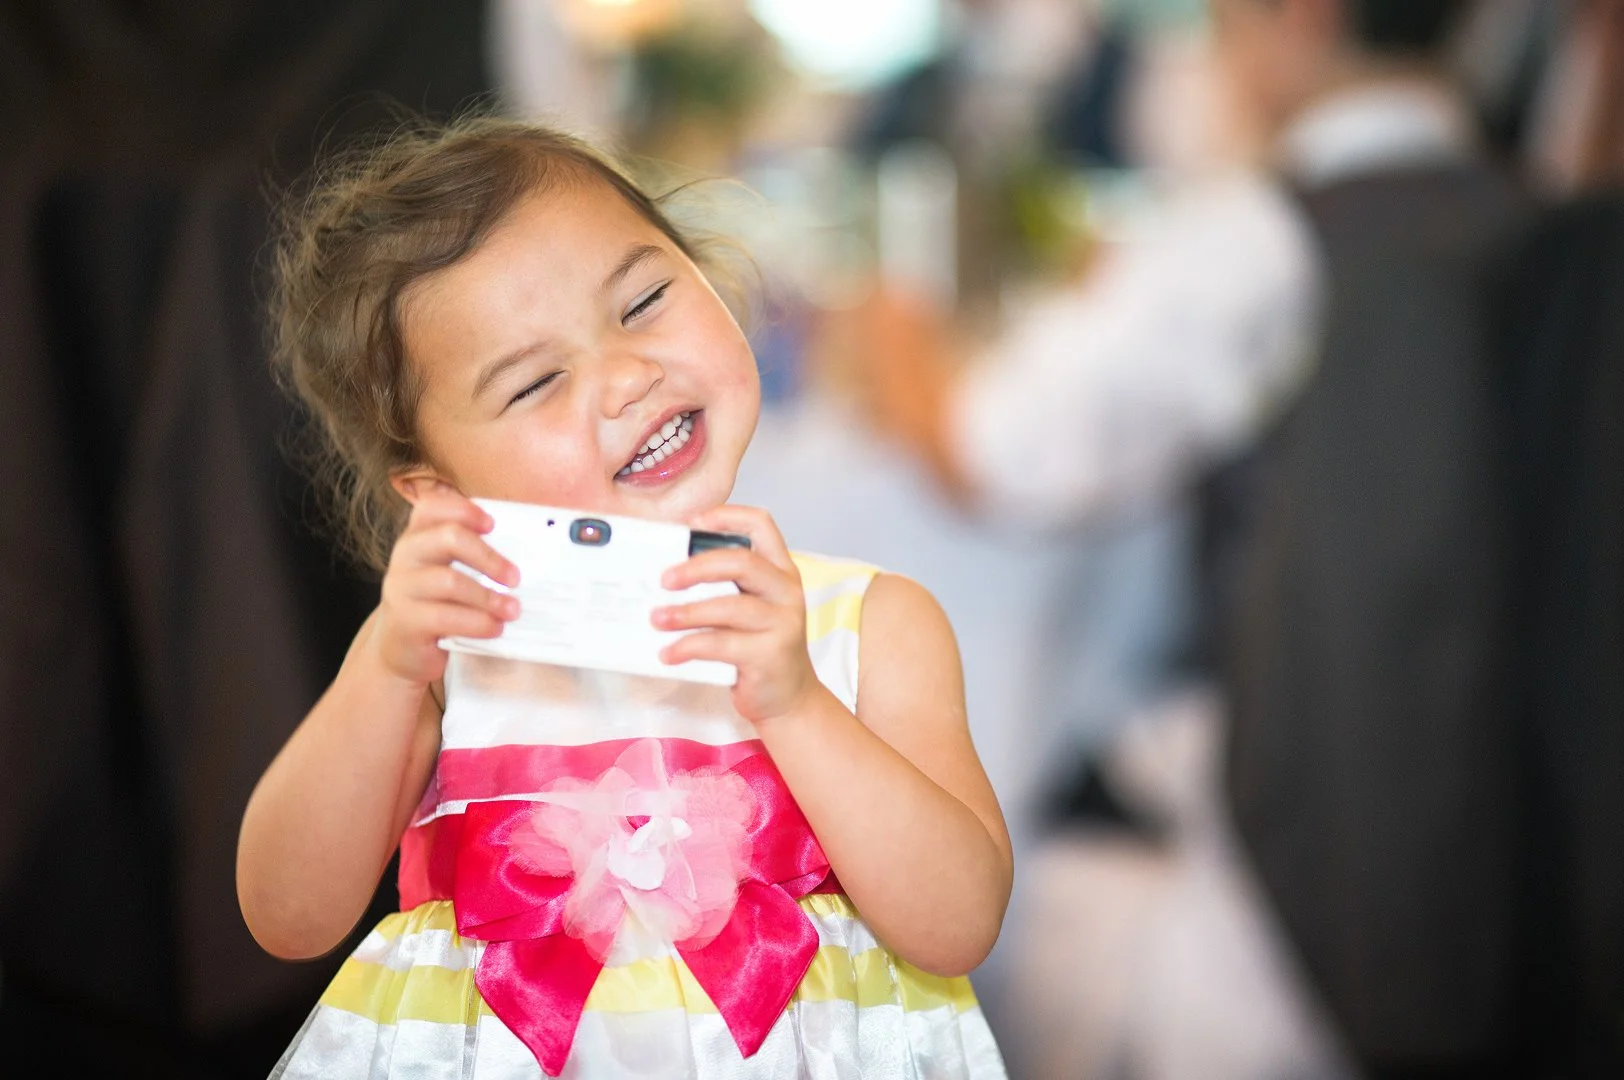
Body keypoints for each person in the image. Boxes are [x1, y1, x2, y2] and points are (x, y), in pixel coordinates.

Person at [235, 116, 1012, 1079]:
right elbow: (286, 917)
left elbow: (961, 921)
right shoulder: (439, 657)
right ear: (439, 495)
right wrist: (390, 669)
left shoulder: (870, 623)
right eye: (536, 383)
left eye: (643, 301)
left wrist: (796, 703)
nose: (627, 377)